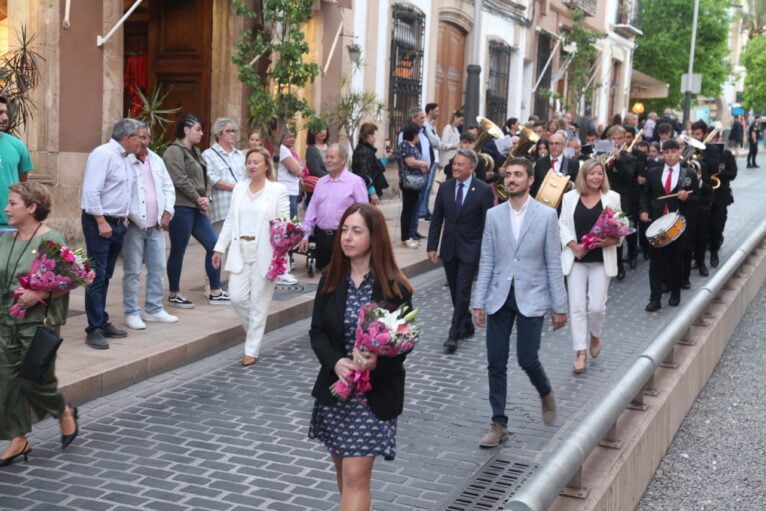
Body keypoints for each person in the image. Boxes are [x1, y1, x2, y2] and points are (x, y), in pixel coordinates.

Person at [308, 203, 413, 511]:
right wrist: (335, 361)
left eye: (356, 231)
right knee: (344, 472)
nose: (347, 237)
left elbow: (404, 344)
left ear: (374, 237)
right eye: (344, 230)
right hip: (336, 392)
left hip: (373, 395)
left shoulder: (394, 288)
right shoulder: (330, 279)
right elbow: (317, 333)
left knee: (355, 476)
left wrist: (377, 362)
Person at [471, 158, 568, 448]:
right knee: (495, 360)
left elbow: (553, 262)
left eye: (518, 175)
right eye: (508, 174)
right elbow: (487, 259)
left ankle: (545, 391)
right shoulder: (494, 215)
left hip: (532, 295)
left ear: (529, 181)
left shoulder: (546, 216)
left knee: (527, 357)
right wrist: (479, 301)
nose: (511, 179)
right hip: (500, 295)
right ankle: (498, 423)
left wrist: (559, 306)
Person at [0, 182, 79, 466]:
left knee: (36, 380)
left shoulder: (52, 239)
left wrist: (41, 293)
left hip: (37, 324)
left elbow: (77, 274)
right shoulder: (5, 239)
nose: (6, 208)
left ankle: (63, 412)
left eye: (12, 204)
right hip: (5, 322)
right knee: (7, 382)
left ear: (32, 208)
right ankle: (18, 439)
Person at [212, 148, 289, 366]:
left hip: (265, 252)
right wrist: (219, 248)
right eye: (249, 162)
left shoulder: (277, 190)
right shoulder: (239, 188)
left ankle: (251, 349)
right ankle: (255, 332)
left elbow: (284, 223)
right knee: (236, 297)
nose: (251, 166)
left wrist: (285, 248)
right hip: (240, 249)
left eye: (256, 162)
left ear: (266, 165)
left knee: (259, 302)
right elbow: (229, 220)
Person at [81, 118, 142, 349]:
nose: (142, 141)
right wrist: (100, 221)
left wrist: (124, 218)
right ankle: (94, 328)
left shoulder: (127, 159)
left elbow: (122, 190)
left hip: (117, 223)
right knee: (95, 275)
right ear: (128, 137)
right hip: (100, 222)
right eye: (139, 137)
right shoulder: (103, 154)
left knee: (105, 275)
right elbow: (91, 191)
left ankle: (101, 320)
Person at [427, 148, 493, 353]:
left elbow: (487, 223)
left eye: (460, 164)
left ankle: (453, 334)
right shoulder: (445, 188)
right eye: (454, 163)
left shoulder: (482, 190)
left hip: (471, 248)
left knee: (463, 291)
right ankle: (467, 323)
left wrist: (486, 251)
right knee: (456, 291)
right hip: (449, 247)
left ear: (472, 167)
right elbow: (436, 218)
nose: (455, 167)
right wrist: (432, 246)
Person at [559, 160, 621, 373]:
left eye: (599, 174)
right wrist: (573, 246)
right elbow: (562, 224)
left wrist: (612, 240)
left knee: (596, 307)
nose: (596, 177)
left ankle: (595, 334)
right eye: (592, 174)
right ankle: (580, 351)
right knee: (576, 307)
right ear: (583, 176)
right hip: (576, 259)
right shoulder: (569, 198)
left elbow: (620, 227)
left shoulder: (612, 198)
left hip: (601, 259)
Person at [163, 113, 230, 309]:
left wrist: (206, 197)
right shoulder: (173, 152)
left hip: (198, 209)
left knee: (213, 245)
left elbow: (206, 177)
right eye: (197, 130)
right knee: (178, 250)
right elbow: (179, 179)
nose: (201, 133)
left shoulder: (197, 152)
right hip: (182, 207)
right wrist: (197, 198)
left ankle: (215, 290)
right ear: (186, 130)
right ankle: (174, 293)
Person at [122, 125, 178, 330]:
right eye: (139, 137)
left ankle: (154, 309)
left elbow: (168, 188)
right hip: (134, 224)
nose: (142, 141)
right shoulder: (126, 161)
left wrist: (167, 212)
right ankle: (132, 311)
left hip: (156, 224)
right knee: (132, 271)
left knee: (157, 267)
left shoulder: (156, 160)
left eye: (146, 137)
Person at [640, 140, 698, 312]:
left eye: (673, 151)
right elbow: (645, 195)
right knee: (655, 263)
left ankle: (675, 293)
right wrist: (643, 210)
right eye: (667, 152)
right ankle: (655, 299)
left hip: (677, 226)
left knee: (676, 261)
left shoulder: (688, 174)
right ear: (662, 154)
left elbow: (699, 200)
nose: (670, 155)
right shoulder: (653, 173)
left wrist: (687, 198)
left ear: (679, 152)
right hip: (657, 224)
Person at [300, 144, 369, 271]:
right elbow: (312, 210)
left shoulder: (355, 182)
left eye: (332, 157)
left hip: (343, 238)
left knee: (342, 276)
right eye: (326, 157)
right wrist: (305, 235)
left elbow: (365, 212)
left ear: (343, 160)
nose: (328, 160)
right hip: (322, 239)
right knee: (324, 279)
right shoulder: (321, 182)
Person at [602, 125, 638, 278]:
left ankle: (620, 265)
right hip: (605, 196)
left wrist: (618, 159)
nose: (615, 141)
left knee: (618, 234)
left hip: (621, 198)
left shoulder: (629, 158)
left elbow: (628, 176)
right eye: (613, 138)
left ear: (624, 140)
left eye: (618, 138)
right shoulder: (603, 155)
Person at [202, 117, 245, 233]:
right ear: (219, 134)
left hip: (242, 208)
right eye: (228, 131)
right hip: (222, 210)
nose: (232, 134)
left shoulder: (240, 155)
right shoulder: (208, 155)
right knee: (221, 247)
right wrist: (236, 187)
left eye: (234, 131)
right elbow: (211, 178)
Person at [0, 96, 33, 235]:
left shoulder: (17, 145)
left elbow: (22, 183)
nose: (6, 117)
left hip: (10, 227)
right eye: (0, 113)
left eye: (5, 112)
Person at [398, 123, 430, 249]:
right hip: (409, 182)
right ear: (414, 134)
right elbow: (410, 162)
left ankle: (410, 235)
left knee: (413, 209)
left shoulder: (413, 146)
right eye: (418, 134)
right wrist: (424, 164)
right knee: (408, 210)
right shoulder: (405, 145)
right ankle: (405, 237)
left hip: (416, 182)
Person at [531, 132, 579, 198]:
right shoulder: (540, 162)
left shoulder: (572, 164)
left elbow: (577, 185)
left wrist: (571, 185)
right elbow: (534, 184)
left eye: (557, 143)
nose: (553, 146)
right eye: (551, 143)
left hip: (562, 203)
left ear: (564, 145)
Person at [352, 123, 389, 205]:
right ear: (369, 136)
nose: (375, 138)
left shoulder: (366, 150)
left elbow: (375, 168)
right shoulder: (364, 151)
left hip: (368, 189)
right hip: (366, 192)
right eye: (373, 135)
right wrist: (372, 192)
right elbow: (364, 173)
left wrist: (385, 157)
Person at [277, 128, 305, 220]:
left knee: (293, 220)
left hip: (292, 190)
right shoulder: (282, 149)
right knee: (290, 222)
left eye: (293, 137)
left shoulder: (290, 151)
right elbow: (298, 171)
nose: (292, 139)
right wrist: (298, 168)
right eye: (289, 137)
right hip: (287, 190)